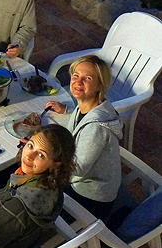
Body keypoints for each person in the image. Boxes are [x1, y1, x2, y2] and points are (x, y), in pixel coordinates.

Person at [46, 55, 123, 220]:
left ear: (99, 85)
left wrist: (45, 155)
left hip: (90, 199)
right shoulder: (87, 107)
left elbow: (77, 168)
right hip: (80, 183)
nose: (78, 82)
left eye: (87, 78)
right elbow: (79, 127)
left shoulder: (96, 127)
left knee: (36, 193)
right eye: (76, 75)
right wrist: (66, 111)